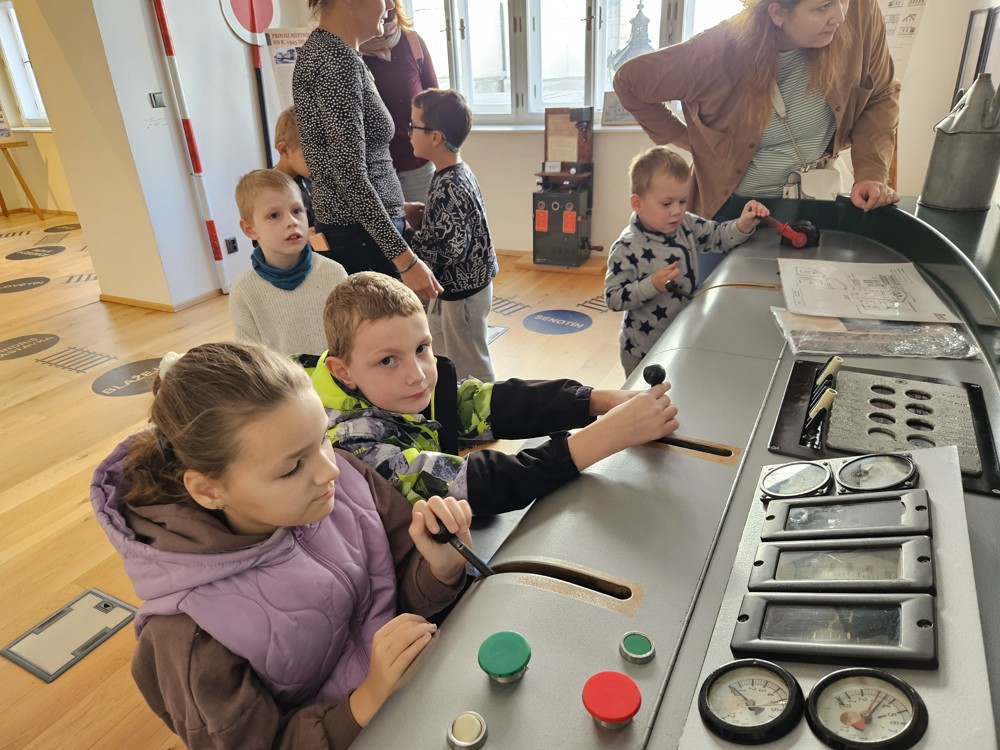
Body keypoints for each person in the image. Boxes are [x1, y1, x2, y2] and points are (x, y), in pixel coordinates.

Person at [90, 342, 470, 749]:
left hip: (423, 686)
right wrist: (367, 700)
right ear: (209, 490)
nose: (329, 470)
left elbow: (398, 578)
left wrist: (440, 569)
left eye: (322, 438)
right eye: (291, 468)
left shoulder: (344, 479)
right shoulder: (188, 634)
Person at [306, 272, 680, 514]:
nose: (416, 375)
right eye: (388, 360)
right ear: (343, 371)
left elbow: (488, 403)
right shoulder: (350, 445)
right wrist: (605, 436)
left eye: (421, 348)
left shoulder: (394, 390)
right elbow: (470, 484)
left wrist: (595, 400)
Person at [613, 0, 901, 221]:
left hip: (818, 199)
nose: (840, 15)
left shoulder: (860, 11)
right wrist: (689, 140)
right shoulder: (714, 53)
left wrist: (872, 172)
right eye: (822, 7)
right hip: (732, 212)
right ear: (777, 13)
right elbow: (628, 83)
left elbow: (881, 94)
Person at [293, 0, 442, 300]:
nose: (389, 6)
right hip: (360, 236)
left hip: (361, 231)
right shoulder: (336, 61)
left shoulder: (330, 52)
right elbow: (349, 174)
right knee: (387, 326)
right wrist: (406, 260)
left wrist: (396, 207)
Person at [604, 147, 769, 377]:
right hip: (643, 351)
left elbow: (718, 237)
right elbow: (613, 298)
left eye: (683, 201)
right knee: (644, 397)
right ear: (638, 204)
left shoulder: (686, 224)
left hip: (681, 337)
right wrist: (651, 285)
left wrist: (743, 224)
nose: (677, 211)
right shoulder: (627, 247)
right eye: (666, 204)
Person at [407, 88, 497, 382]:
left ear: (435, 137)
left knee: (472, 363)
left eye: (413, 126)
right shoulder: (452, 172)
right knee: (448, 352)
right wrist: (425, 217)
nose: (409, 133)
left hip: (464, 296)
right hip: (455, 291)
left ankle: (490, 407)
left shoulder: (450, 185)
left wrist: (407, 235)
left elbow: (450, 249)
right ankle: (455, 397)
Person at [229, 169, 347, 356]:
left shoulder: (334, 273)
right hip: (282, 376)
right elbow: (251, 359)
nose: (292, 222)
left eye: (296, 211)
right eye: (274, 216)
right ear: (250, 229)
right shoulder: (243, 292)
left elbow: (351, 338)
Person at [361, 1, 439, 203]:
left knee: (424, 221)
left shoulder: (412, 42)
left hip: (417, 165)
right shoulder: (351, 52)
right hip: (374, 170)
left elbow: (436, 101)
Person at [272, 106, 316, 232]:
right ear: (284, 150)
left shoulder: (312, 180)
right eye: (311, 155)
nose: (320, 162)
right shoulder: (268, 190)